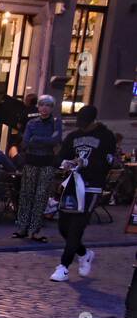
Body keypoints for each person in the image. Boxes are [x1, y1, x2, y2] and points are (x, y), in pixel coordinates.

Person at [51, 104, 115, 281]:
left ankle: (63, 266)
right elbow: (60, 156)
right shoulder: (73, 136)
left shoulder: (105, 136)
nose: (82, 125)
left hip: (91, 186)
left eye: (84, 122)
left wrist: (87, 163)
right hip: (72, 184)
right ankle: (84, 253)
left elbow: (108, 162)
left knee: (76, 227)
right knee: (64, 227)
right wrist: (66, 162)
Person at [13, 93, 62, 241]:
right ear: (38, 106)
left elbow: (56, 139)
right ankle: (22, 228)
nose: (44, 108)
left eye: (48, 105)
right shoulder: (32, 123)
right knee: (26, 194)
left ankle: (34, 229)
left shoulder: (55, 122)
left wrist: (37, 139)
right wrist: (44, 141)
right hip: (31, 161)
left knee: (41, 196)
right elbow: (26, 142)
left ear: (52, 107)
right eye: (42, 105)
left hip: (47, 162)